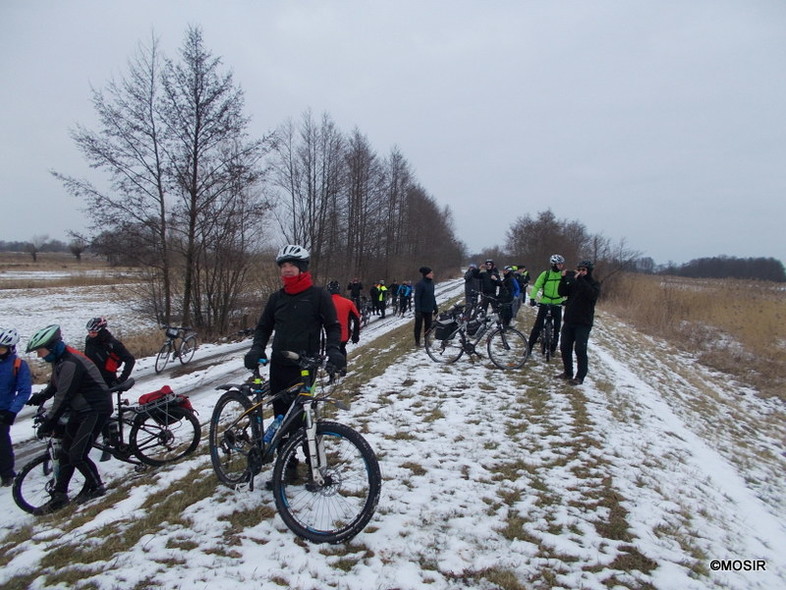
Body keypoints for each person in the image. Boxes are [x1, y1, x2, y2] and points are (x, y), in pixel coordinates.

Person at [244, 245, 345, 434]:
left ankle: (310, 455)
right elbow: (264, 328)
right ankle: (287, 461)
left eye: (291, 265)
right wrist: (256, 348)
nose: (287, 269)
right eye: (283, 266)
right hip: (279, 365)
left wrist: (333, 350)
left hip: (305, 367)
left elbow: (333, 326)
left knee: (304, 415)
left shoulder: (318, 296)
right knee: (280, 415)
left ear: (302, 268)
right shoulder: (276, 298)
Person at [25, 325, 112, 513]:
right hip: (80, 409)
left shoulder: (70, 362)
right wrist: (42, 396)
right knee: (65, 453)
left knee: (77, 454)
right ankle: (60, 496)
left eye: (40, 351)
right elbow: (56, 385)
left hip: (95, 409)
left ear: (53, 346)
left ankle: (96, 486)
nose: (40, 356)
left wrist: (49, 421)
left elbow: (63, 395)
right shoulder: (61, 359)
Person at [557, 260, 601, 385]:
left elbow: (591, 295)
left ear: (589, 271)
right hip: (569, 320)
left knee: (580, 349)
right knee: (565, 347)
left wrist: (581, 280)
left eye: (584, 270)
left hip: (584, 322)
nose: (581, 272)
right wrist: (563, 279)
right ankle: (568, 372)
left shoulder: (594, 284)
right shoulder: (575, 282)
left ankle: (580, 376)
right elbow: (562, 292)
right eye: (579, 270)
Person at [0, 327, 32, 487]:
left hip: (3, 410)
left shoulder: (18, 365)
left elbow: (24, 390)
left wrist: (13, 411)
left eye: (2, 348)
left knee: (2, 443)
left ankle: (6, 474)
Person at [528, 254, 567, 356]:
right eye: (559, 264)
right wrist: (532, 298)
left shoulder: (562, 275)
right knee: (537, 326)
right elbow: (536, 286)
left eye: (562, 264)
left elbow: (568, 288)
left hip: (557, 303)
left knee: (557, 328)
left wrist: (566, 300)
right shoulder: (545, 274)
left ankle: (553, 349)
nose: (561, 266)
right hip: (545, 303)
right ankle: (529, 348)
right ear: (553, 264)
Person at [84, 317, 135, 387]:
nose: (90, 334)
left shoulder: (112, 344)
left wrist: (121, 379)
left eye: (93, 332)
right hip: (92, 379)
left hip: (108, 381)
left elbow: (130, 360)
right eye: (89, 332)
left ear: (100, 331)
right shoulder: (89, 340)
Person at [327, 280, 360, 372]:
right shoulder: (348, 302)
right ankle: (343, 368)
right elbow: (357, 319)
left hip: (330, 334)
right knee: (342, 349)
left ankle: (332, 374)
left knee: (332, 351)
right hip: (345, 333)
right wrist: (356, 334)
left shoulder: (325, 303)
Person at [413, 266, 437, 346]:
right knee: (418, 326)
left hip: (429, 309)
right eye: (431, 273)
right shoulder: (420, 284)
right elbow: (417, 297)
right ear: (426, 274)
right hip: (421, 309)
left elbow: (432, 296)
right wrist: (418, 310)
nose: (433, 274)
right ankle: (417, 341)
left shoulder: (431, 284)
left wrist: (435, 306)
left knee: (428, 326)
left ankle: (427, 340)